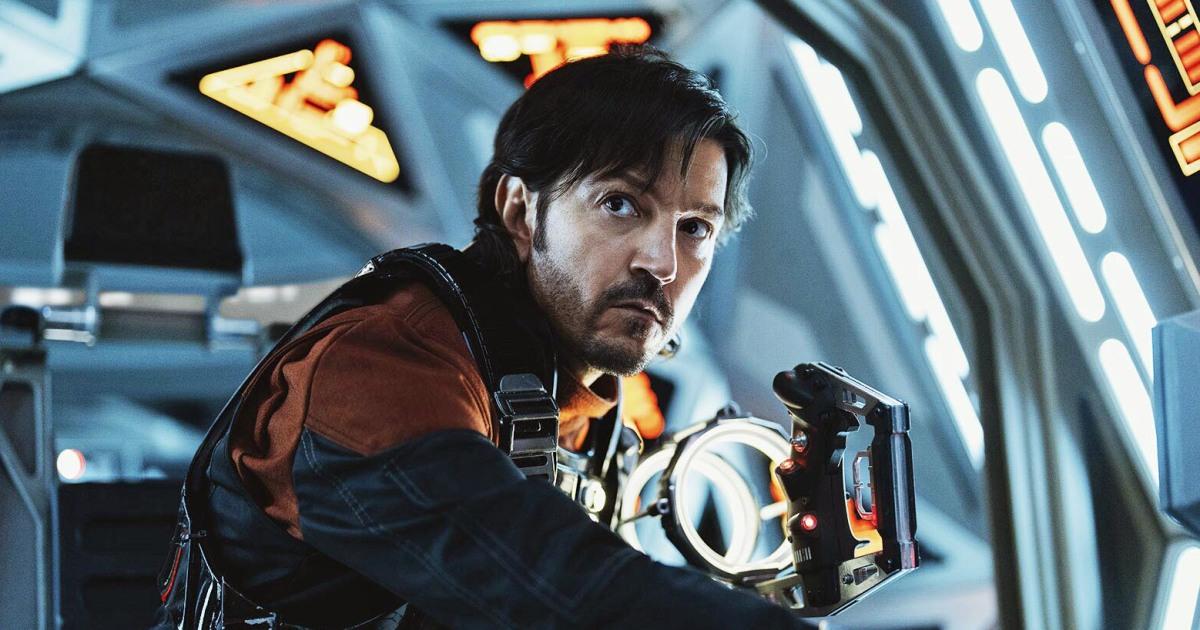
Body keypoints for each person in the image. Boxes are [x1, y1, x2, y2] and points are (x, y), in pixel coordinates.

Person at [158, 46, 808, 629]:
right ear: (520, 210)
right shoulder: (382, 363)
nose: (662, 262)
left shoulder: (572, 393)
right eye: (620, 204)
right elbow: (548, 583)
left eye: (695, 228)